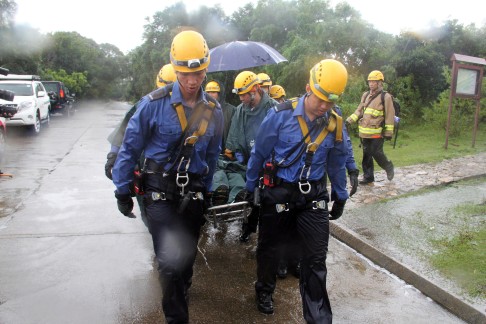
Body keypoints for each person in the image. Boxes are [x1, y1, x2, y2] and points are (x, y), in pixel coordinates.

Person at [111, 30, 223, 324]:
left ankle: (179, 292)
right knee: (170, 263)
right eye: (185, 73)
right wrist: (122, 191)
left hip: (195, 193)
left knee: (185, 262)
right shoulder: (152, 105)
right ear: (175, 68)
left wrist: (208, 190)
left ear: (205, 68)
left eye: (198, 73)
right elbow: (128, 148)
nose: (191, 80)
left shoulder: (214, 111)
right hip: (158, 193)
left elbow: (212, 155)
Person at [245, 59, 350, 321]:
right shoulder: (281, 115)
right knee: (271, 248)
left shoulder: (335, 123)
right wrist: (250, 188)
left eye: (331, 101)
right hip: (279, 192)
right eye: (320, 98)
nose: (324, 106)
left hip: (313, 195)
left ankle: (318, 318)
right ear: (307, 88)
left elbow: (337, 164)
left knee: (315, 259)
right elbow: (259, 154)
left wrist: (340, 195)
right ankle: (265, 290)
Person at [105, 64, 177, 226]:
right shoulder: (144, 105)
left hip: (176, 177)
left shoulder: (193, 108)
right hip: (148, 175)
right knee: (153, 219)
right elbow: (123, 135)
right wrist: (113, 157)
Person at [211, 71, 277, 207]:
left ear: (255, 89)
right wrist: (235, 155)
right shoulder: (240, 111)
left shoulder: (274, 109)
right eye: (239, 95)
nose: (240, 98)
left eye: (243, 94)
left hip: (269, 168)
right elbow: (232, 142)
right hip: (246, 166)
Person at [346, 70, 395, 185]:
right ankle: (368, 177)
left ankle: (388, 167)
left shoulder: (386, 97)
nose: (371, 84)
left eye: (374, 82)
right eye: (370, 82)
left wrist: (388, 132)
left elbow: (389, 115)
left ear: (380, 83)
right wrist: (349, 120)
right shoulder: (365, 95)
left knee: (377, 153)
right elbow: (359, 110)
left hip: (377, 132)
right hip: (364, 132)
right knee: (366, 154)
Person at [205, 80, 236, 152]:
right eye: (208, 92)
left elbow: (235, 134)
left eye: (213, 92)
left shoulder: (231, 110)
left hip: (226, 153)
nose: (210, 95)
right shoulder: (201, 110)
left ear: (220, 94)